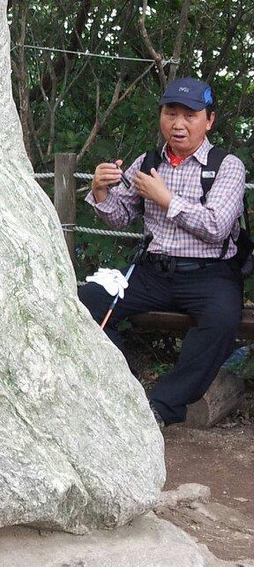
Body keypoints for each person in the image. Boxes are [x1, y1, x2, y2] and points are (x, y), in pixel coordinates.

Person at [78, 77, 246, 428]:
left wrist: (166, 198)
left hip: (210, 273)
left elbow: (216, 226)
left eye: (190, 115)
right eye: (171, 114)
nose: (178, 124)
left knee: (221, 322)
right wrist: (101, 191)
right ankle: (126, 391)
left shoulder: (226, 165)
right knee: (83, 303)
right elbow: (120, 218)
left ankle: (163, 407)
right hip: (153, 270)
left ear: (209, 120)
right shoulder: (149, 161)